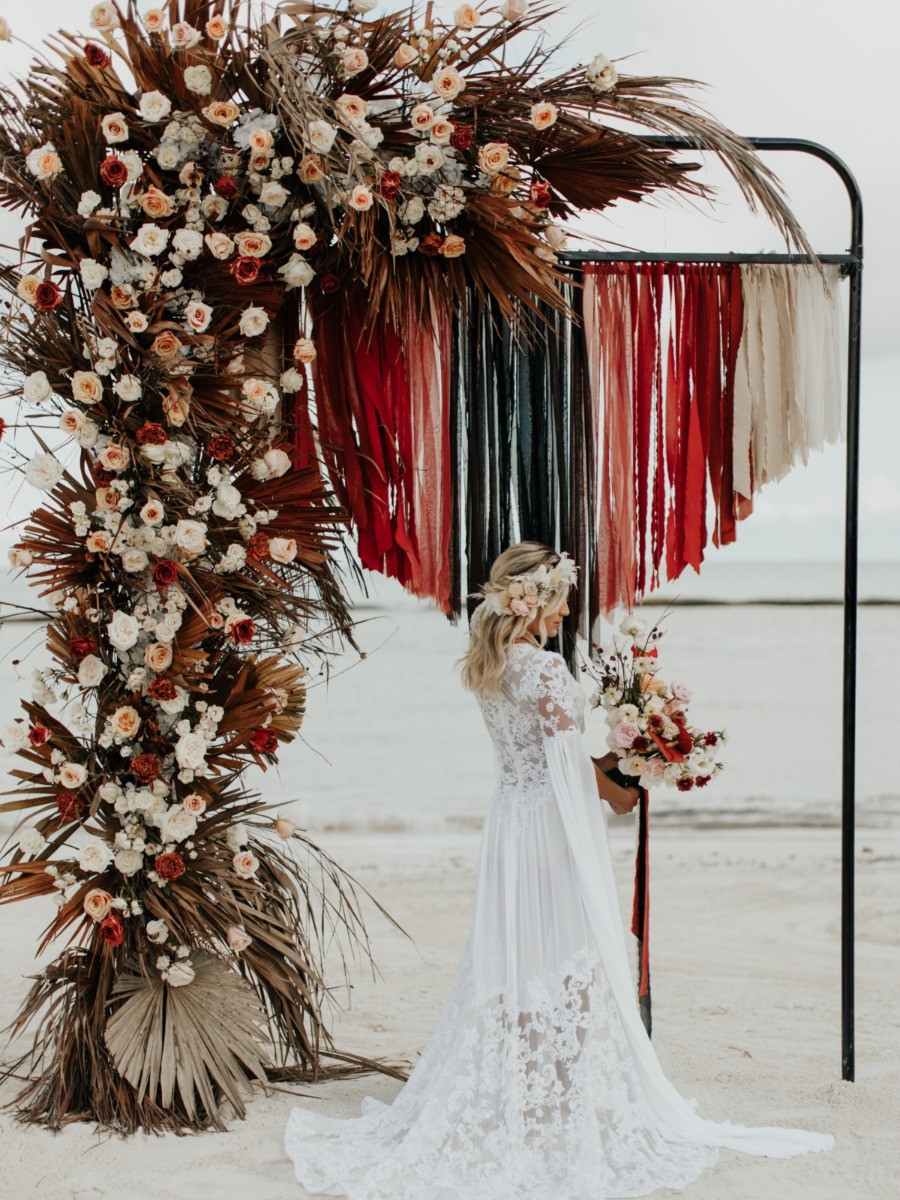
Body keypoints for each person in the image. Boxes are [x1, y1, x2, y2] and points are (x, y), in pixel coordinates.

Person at [285, 542, 832, 1197]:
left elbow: (549, 754)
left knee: (521, 952)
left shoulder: (492, 666)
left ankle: (527, 1086)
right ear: (535, 602)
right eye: (563, 596)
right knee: (571, 947)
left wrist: (621, 755)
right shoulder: (542, 670)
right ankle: (559, 1091)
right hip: (549, 825)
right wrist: (622, 788)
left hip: (511, 824)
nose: (570, 608)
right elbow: (567, 766)